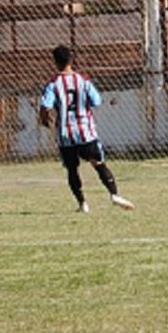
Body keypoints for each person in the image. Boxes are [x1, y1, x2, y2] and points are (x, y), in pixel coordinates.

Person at [39, 45, 134, 213]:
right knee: (98, 163)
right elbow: (96, 101)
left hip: (65, 133)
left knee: (72, 169)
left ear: (55, 62)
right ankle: (114, 195)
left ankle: (83, 204)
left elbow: (45, 106)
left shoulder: (53, 84)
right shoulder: (83, 80)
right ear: (71, 60)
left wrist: (45, 120)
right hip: (86, 131)